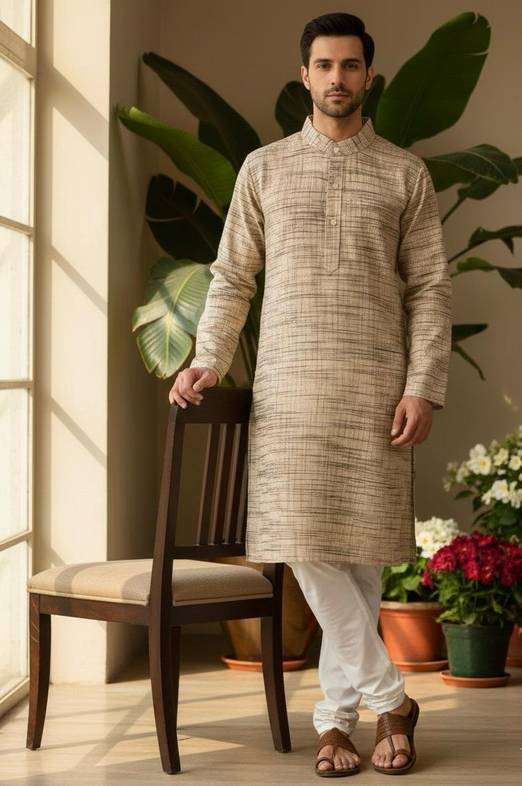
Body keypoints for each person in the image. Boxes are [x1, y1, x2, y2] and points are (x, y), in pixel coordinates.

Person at [169, 11, 451, 777]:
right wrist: (207, 358)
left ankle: (335, 725)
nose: (337, 78)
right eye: (324, 65)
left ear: (369, 76)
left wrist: (423, 387)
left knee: (359, 560)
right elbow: (232, 276)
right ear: (304, 76)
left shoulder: (404, 174)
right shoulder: (263, 169)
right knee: (303, 544)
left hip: (375, 389)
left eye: (350, 65)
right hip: (289, 391)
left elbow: (430, 288)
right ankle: (394, 701)